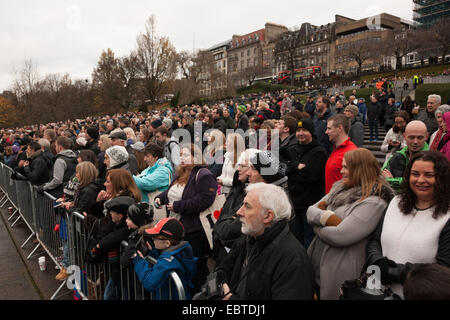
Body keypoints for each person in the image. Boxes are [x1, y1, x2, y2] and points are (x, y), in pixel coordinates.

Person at [307, 148, 394, 300]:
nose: (341, 171)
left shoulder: (375, 201)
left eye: (346, 167)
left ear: (360, 169)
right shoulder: (340, 188)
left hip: (341, 272)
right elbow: (310, 211)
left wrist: (317, 226)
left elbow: (341, 236)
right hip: (318, 269)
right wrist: (328, 219)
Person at [366, 151, 450, 299]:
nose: (420, 180)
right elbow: (375, 240)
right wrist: (377, 261)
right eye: (415, 174)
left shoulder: (447, 216)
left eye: (429, 175)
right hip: (378, 292)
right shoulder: (395, 202)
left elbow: (443, 268)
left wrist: (391, 272)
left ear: (442, 178)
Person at [213, 183, 315, 300]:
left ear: (268, 216)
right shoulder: (249, 239)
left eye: (247, 206)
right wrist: (221, 286)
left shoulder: (293, 260)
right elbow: (222, 269)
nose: (239, 212)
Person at [154, 144, 217, 295]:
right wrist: (160, 198)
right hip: (178, 227)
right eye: (180, 154)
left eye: (185, 155)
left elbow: (205, 200)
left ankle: (201, 298)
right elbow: (171, 192)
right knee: (183, 269)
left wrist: (178, 206)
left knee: (196, 269)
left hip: (194, 231)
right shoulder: (179, 173)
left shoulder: (204, 175)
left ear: (195, 157)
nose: (181, 158)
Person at [212, 149, 260, 265]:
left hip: (237, 252)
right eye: (238, 165)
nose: (238, 169)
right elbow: (223, 218)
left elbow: (230, 230)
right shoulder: (237, 186)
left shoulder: (253, 196)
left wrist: (224, 225)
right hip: (223, 248)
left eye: (243, 166)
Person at [285, 118, 328, 248]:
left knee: (309, 241)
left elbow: (310, 176)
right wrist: (296, 167)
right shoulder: (293, 149)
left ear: (311, 132)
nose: (301, 133)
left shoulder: (319, 151)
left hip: (310, 204)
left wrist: (292, 170)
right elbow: (284, 168)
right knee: (297, 239)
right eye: (298, 130)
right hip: (295, 202)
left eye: (304, 130)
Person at [133, 218, 198, 300]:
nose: (153, 239)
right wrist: (153, 253)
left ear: (167, 243)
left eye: (156, 237)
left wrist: (139, 262)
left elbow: (150, 283)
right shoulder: (180, 252)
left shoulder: (168, 261)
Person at [381, 120, 429, 191]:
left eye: (420, 138)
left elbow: (418, 183)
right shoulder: (399, 155)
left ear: (426, 137)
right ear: (404, 136)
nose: (415, 142)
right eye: (411, 137)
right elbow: (382, 173)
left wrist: (391, 180)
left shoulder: (431, 159)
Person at [324, 114, 358, 194]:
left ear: (340, 128)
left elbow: (355, 184)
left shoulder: (351, 152)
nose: (326, 132)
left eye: (329, 128)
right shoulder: (336, 148)